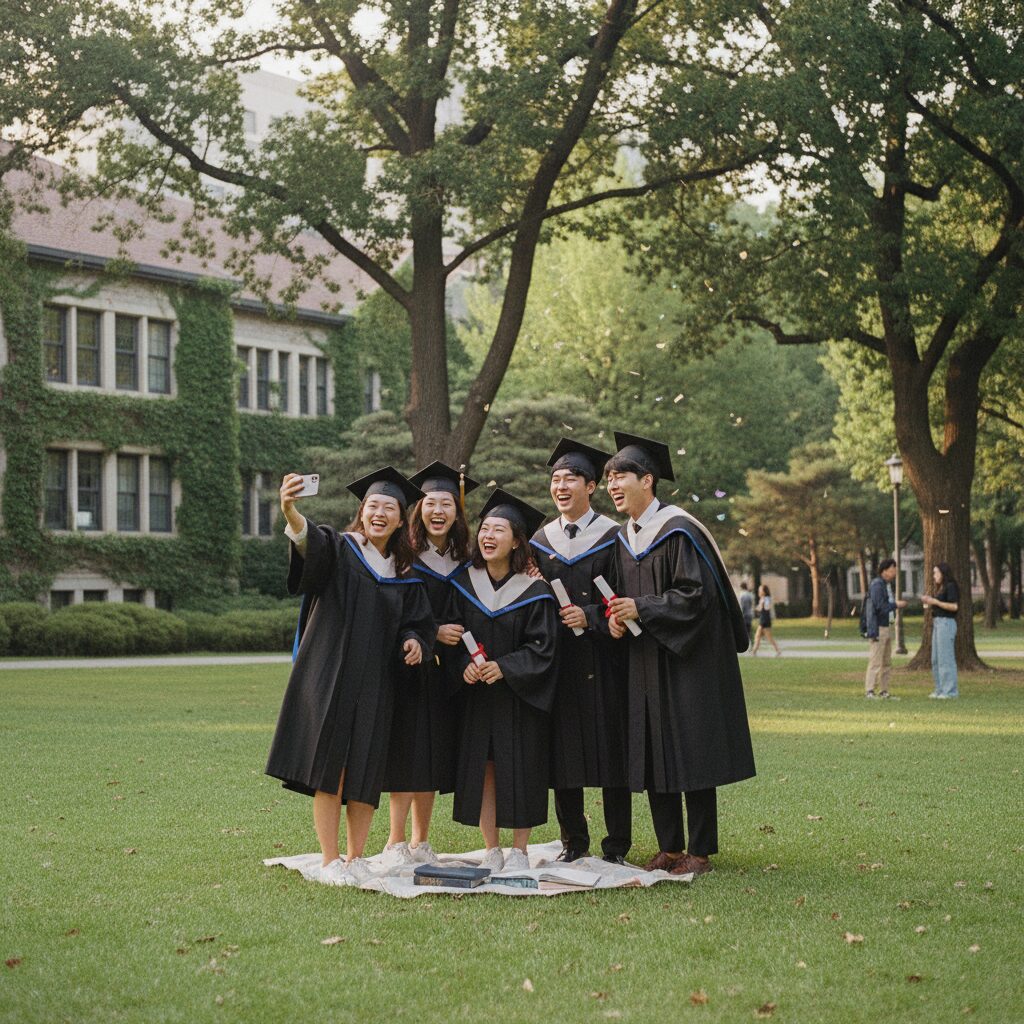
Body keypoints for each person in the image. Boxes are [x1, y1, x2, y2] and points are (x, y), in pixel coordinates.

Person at [266, 467, 435, 886]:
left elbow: (417, 623)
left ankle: (356, 856)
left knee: (365, 771)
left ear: (401, 520)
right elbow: (309, 541)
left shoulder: (405, 573)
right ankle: (330, 859)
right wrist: (289, 510)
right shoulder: (341, 549)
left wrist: (415, 641)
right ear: (362, 512)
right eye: (373, 506)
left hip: (378, 684)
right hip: (333, 679)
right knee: (333, 768)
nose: (379, 514)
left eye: (389, 508)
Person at [602, 432, 755, 877]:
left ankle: (699, 851)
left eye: (621, 476)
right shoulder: (624, 538)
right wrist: (616, 618)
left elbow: (695, 596)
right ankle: (669, 848)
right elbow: (619, 596)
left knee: (691, 752)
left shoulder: (679, 530)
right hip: (644, 661)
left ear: (647, 480)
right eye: (609, 479)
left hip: (686, 662)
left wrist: (642, 608)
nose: (613, 485)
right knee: (654, 751)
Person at [529, 438, 632, 865]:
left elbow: (624, 595)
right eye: (556, 479)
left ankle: (617, 845)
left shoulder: (614, 536)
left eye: (571, 478)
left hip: (606, 659)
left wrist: (589, 617)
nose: (561, 486)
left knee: (613, 750)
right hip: (560, 662)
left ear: (591, 486)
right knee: (563, 752)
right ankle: (573, 841)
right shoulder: (540, 541)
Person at [448, 489, 559, 873]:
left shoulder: (535, 592)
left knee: (521, 769)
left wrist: (507, 667)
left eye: (499, 530)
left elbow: (544, 648)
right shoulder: (463, 584)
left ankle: (520, 850)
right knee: (485, 770)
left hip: (518, 699)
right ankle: (491, 848)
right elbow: (451, 638)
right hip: (478, 698)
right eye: (485, 529)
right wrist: (463, 665)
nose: (488, 536)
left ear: (515, 542)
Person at [381, 462, 479, 867]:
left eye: (447, 504)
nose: (438, 511)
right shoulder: (402, 555)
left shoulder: (466, 558)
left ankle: (421, 841)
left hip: (448, 672)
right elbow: (392, 611)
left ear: (457, 512)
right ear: (418, 509)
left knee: (433, 752)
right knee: (407, 751)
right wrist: (432, 631)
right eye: (430, 503)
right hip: (411, 665)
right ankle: (394, 841)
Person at [863, 558, 907, 699]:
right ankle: (870, 690)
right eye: (892, 570)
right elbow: (880, 607)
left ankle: (884, 690)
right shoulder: (877, 585)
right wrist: (896, 605)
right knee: (876, 660)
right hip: (879, 627)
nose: (895, 573)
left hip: (888, 626)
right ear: (884, 571)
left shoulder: (887, 585)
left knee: (886, 662)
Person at [921, 562, 959, 699]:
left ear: (943, 573)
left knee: (945, 659)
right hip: (938, 623)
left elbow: (954, 607)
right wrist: (929, 602)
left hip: (946, 623)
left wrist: (935, 602)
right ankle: (940, 689)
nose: (934, 575)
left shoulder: (951, 586)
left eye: (936, 572)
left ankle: (950, 691)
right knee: (936, 659)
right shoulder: (941, 588)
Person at [751, 583, 781, 656]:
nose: (759, 591)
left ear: (764, 591)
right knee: (758, 636)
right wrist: (756, 608)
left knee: (768, 637)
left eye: (760, 590)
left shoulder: (766, 598)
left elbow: (767, 608)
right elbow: (759, 608)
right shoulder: (763, 599)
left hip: (765, 620)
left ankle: (778, 650)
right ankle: (754, 652)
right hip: (763, 619)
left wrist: (762, 604)